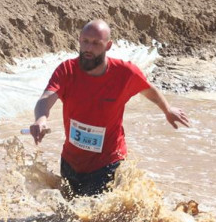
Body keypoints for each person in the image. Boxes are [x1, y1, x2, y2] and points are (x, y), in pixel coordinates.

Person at [29, 19, 190, 198]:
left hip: (107, 163)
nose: (89, 48)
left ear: (108, 46)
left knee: (93, 213)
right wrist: (40, 119)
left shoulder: (125, 73)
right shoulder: (67, 70)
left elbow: (149, 90)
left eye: (96, 43)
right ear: (79, 40)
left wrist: (167, 109)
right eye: (85, 41)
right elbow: (46, 99)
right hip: (70, 162)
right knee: (68, 211)